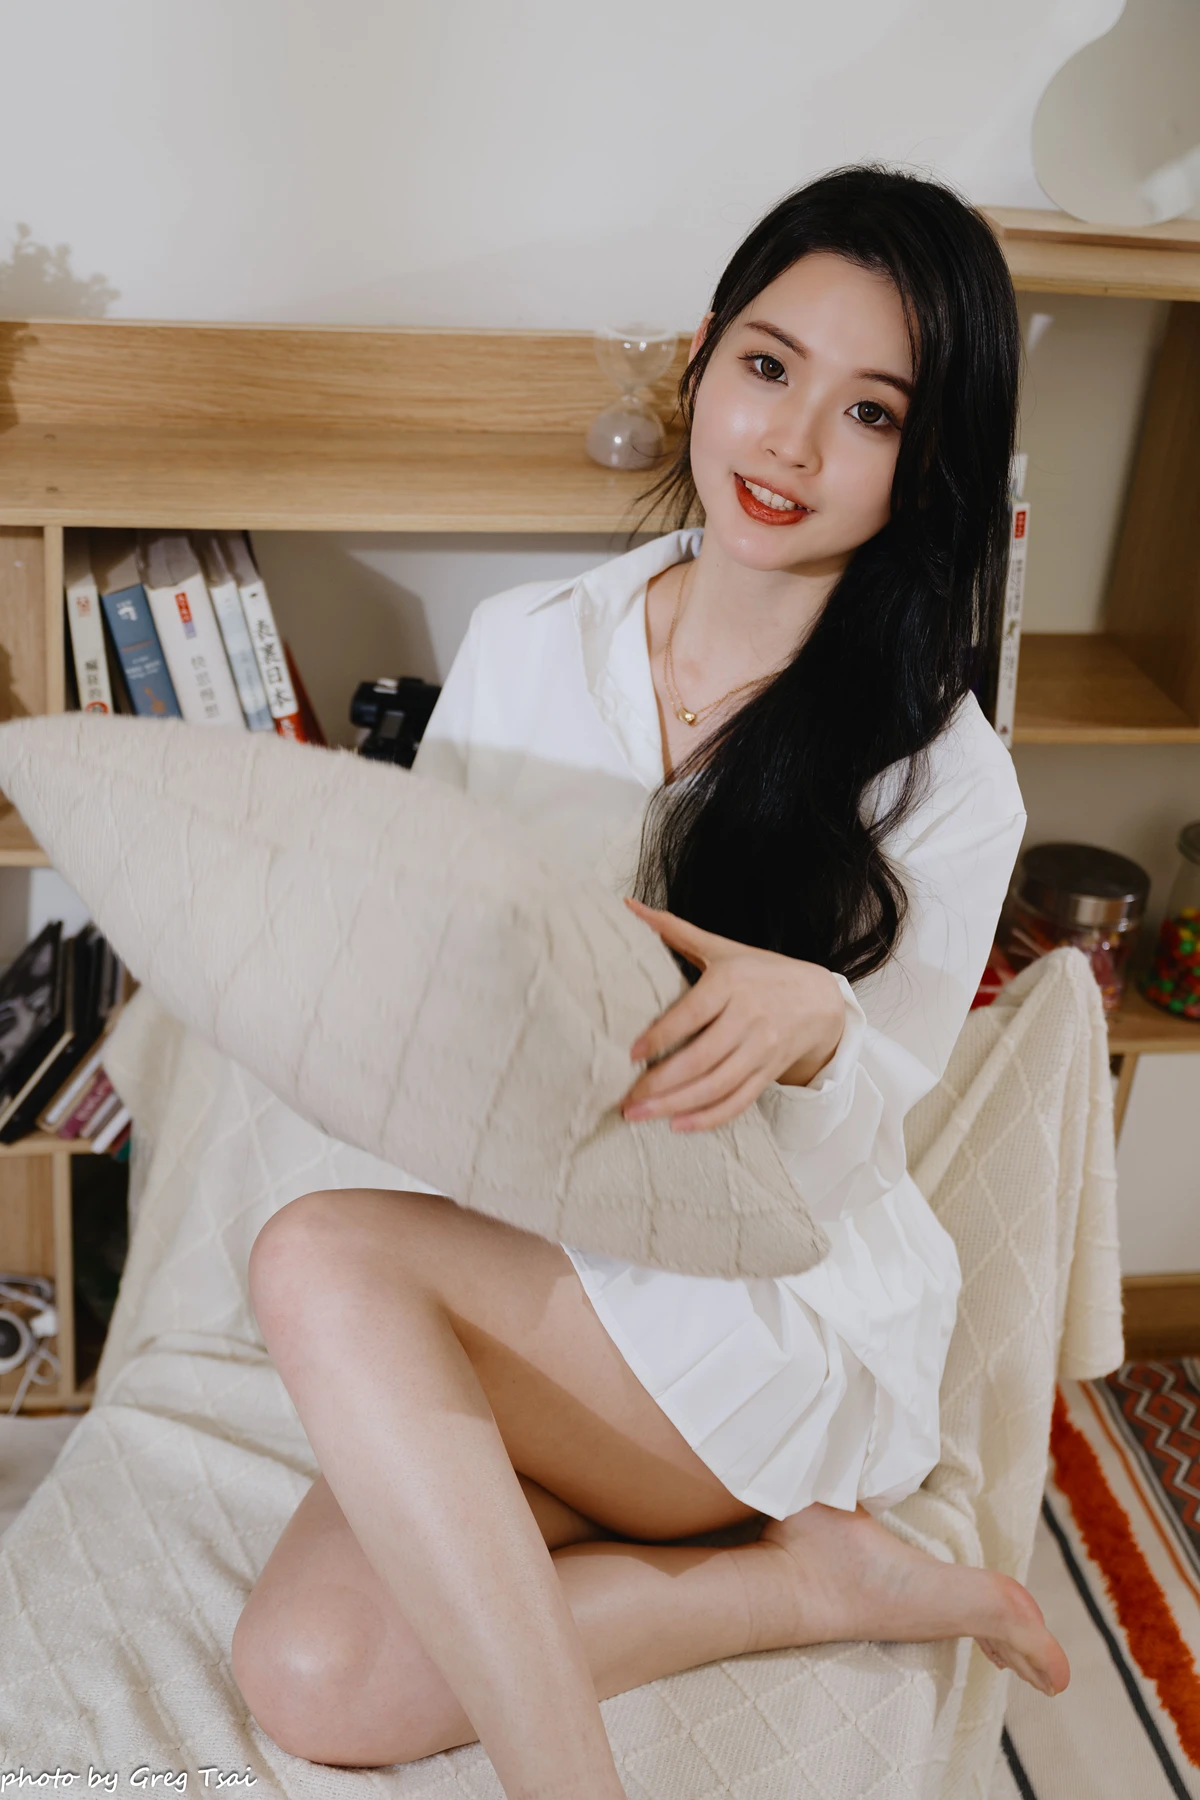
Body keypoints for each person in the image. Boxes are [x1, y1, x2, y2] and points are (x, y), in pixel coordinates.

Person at [231, 164, 1069, 1798]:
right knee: (315, 1675)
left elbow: (865, 1138)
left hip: (746, 1310)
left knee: (316, 1253)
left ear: (931, 462)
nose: (793, 444)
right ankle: (807, 1583)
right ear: (701, 360)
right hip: (525, 1263)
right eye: (769, 367)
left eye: (872, 412)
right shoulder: (530, 643)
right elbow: (443, 980)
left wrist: (817, 1028)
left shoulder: (946, 775)